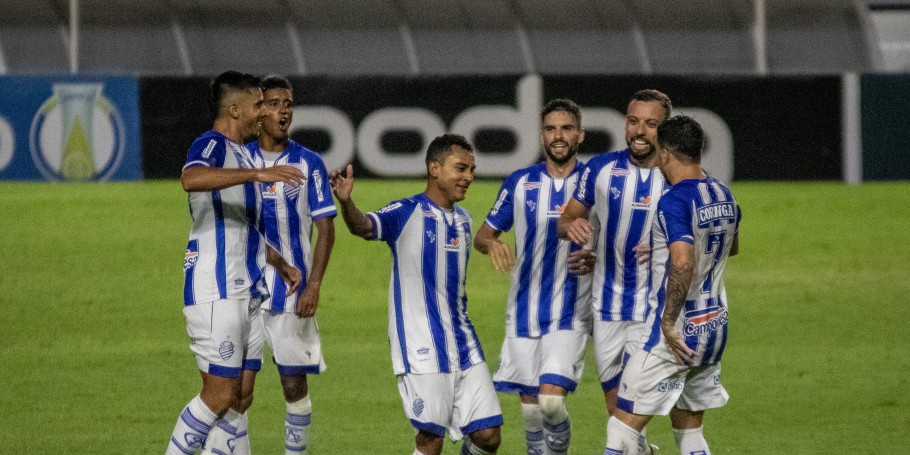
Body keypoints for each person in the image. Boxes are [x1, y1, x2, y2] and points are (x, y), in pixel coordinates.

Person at [330, 134, 503, 455]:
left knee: (488, 436)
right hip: (421, 345)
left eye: (472, 170)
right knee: (430, 442)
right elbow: (364, 226)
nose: (469, 177)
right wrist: (347, 203)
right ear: (434, 169)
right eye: (461, 168)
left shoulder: (464, 221)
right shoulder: (406, 211)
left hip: (463, 343)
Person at [165, 71, 304, 455]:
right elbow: (191, 178)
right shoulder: (210, 144)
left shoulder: (242, 153)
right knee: (219, 394)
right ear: (234, 108)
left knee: (241, 396)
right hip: (217, 287)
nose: (264, 112)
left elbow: (245, 227)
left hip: (247, 289)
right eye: (258, 104)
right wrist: (258, 172)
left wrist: (280, 263)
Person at [604, 115, 741, 455]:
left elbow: (682, 262)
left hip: (675, 335)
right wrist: (664, 247)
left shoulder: (674, 200)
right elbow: (731, 247)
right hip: (714, 327)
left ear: (665, 153)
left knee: (621, 431)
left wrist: (667, 322)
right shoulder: (723, 193)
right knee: (689, 432)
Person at [474, 99, 593, 455]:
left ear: (580, 135)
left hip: (570, 311)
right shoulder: (520, 183)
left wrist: (596, 259)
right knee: (530, 413)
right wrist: (491, 244)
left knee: (551, 403)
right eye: (550, 129)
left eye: (566, 128)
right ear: (541, 135)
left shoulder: (595, 182)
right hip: (524, 309)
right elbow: (483, 235)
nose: (558, 136)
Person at [557, 89, 672, 453]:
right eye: (633, 121)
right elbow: (566, 219)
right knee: (615, 412)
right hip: (606, 307)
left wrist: (666, 247)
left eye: (650, 124)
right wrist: (574, 228)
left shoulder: (677, 176)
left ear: (665, 128)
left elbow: (710, 236)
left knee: (624, 416)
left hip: (653, 310)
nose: (639, 131)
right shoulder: (601, 169)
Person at [246, 75, 337, 454]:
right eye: (274, 104)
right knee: (237, 389)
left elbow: (326, 229)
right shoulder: (240, 160)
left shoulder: (308, 162)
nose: (283, 111)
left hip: (292, 290)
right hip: (244, 288)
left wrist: (313, 285)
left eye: (288, 104)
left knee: (294, 385)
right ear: (258, 110)